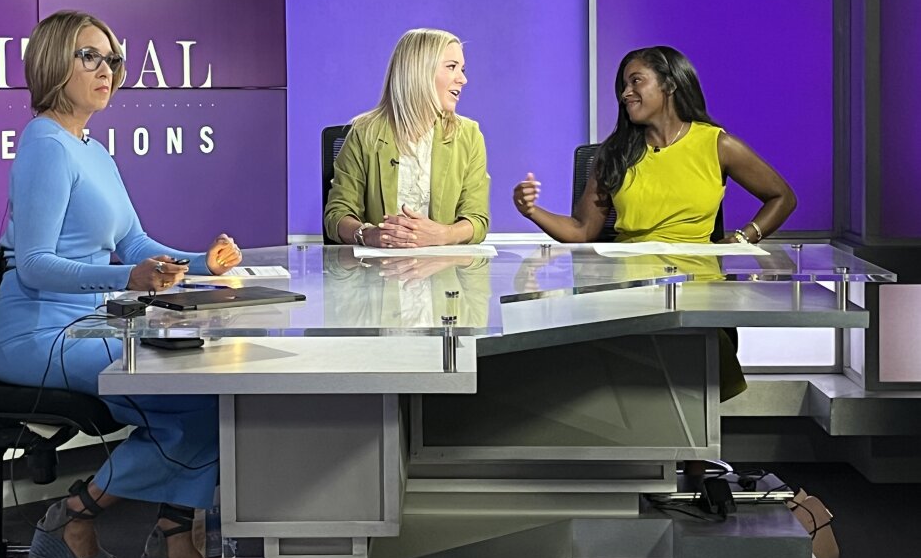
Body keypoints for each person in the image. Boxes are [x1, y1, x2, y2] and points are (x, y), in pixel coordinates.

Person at [0, 10, 241, 558]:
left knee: (210, 390)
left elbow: (134, 240)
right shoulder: (46, 146)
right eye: (89, 56)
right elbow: (32, 266)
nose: (108, 69)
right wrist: (127, 278)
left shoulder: (92, 149)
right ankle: (76, 516)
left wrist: (201, 261)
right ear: (54, 64)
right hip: (38, 333)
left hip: (87, 325)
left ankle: (172, 539)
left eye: (112, 59)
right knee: (199, 396)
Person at [512, 45, 797, 400]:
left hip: (697, 279)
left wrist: (743, 236)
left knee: (695, 341)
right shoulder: (613, 154)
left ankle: (694, 448)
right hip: (628, 282)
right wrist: (532, 211)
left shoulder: (716, 144)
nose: (625, 92)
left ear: (670, 85)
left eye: (636, 81)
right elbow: (582, 231)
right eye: (623, 85)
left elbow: (782, 197)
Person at [324, 28, 490, 248]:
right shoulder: (365, 133)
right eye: (451, 67)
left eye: (462, 69)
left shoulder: (468, 136)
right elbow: (337, 215)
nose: (463, 79)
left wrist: (442, 235)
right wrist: (368, 234)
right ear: (420, 71)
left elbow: (477, 220)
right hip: (377, 275)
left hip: (443, 275)